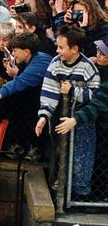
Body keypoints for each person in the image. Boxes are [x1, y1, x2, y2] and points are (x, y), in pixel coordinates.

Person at [36, 25, 101, 199]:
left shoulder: (88, 67)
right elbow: (49, 90)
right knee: (60, 152)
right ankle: (62, 190)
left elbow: (94, 95)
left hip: (82, 119)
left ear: (74, 49)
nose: (57, 50)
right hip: (61, 116)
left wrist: (73, 91)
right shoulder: (55, 62)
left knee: (82, 155)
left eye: (61, 47)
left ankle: (81, 192)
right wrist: (44, 115)